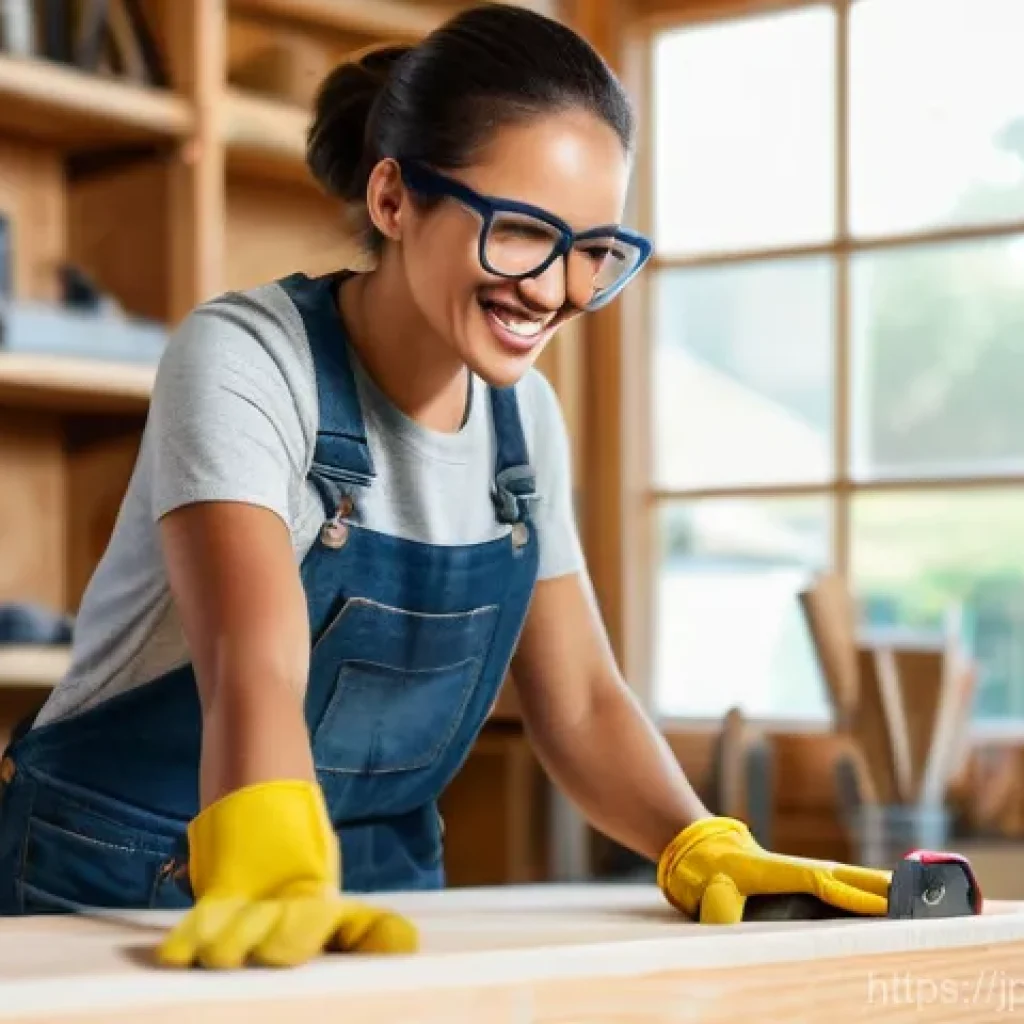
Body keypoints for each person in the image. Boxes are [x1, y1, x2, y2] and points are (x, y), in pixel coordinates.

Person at [0, 3, 890, 969]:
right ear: (393, 199)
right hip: (124, 894)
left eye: (593, 250)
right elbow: (251, 657)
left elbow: (581, 701)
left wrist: (699, 840)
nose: (552, 290)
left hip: (365, 901)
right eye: (518, 231)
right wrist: (270, 860)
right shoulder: (248, 358)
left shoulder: (524, 421)